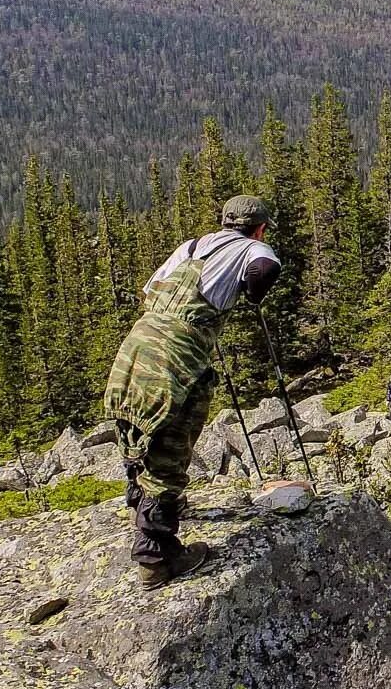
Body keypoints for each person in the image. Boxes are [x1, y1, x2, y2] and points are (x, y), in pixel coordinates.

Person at [103, 195, 282, 589]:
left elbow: (150, 290)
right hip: (175, 355)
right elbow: (265, 269)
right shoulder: (254, 246)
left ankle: (139, 502)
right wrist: (249, 297)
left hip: (138, 343)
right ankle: (156, 556)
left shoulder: (192, 246)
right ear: (260, 227)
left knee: (136, 424)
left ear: (223, 221)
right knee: (172, 440)